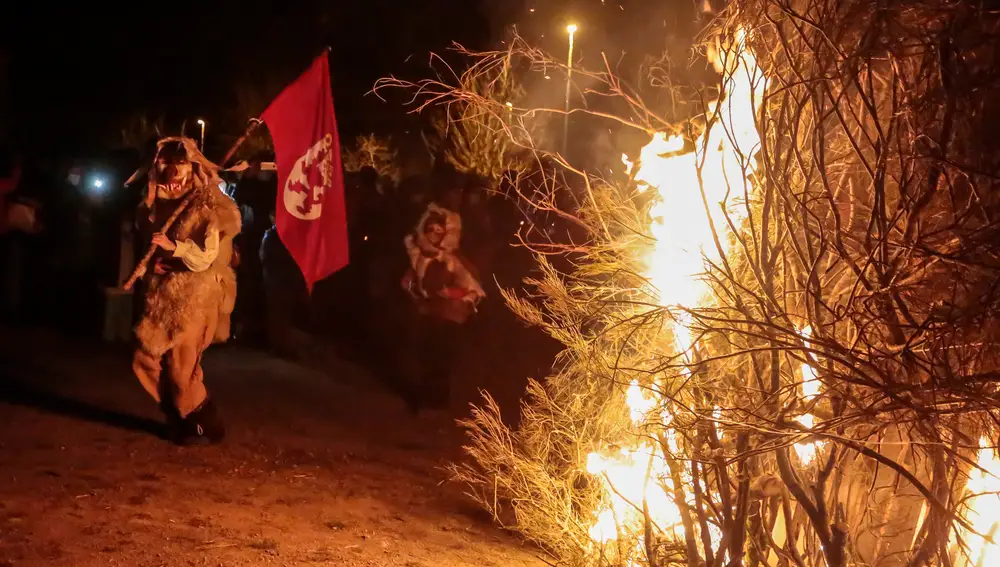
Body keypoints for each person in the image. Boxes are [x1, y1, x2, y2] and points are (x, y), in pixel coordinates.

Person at [131, 137, 241, 445]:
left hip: (196, 296)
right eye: (166, 162)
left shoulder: (209, 205)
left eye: (180, 162)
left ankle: (204, 424)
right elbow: (150, 243)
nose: (172, 170)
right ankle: (183, 416)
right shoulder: (159, 203)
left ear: (192, 166)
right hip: (163, 296)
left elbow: (206, 256)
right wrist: (155, 263)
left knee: (181, 370)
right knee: (145, 359)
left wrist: (173, 247)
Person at [399, 205, 485, 414]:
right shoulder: (418, 255)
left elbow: (473, 290)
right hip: (426, 313)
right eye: (431, 231)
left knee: (441, 358)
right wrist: (411, 288)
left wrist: (451, 293)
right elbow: (411, 280)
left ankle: (438, 400)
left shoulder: (451, 260)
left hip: (448, 317)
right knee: (424, 355)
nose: (435, 236)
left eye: (439, 232)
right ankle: (422, 398)